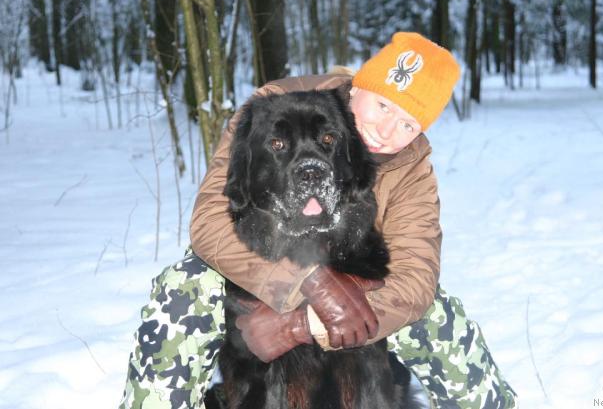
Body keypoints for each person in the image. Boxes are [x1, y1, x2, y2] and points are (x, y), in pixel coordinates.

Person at [120, 32, 518, 409]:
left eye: (408, 124)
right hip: (261, 258)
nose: (386, 130)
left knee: (436, 314)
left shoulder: (411, 164)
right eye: (382, 106)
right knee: (184, 287)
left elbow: (414, 280)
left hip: (359, 279)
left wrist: (301, 324)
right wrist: (303, 281)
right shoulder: (277, 105)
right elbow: (210, 223)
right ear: (358, 87)